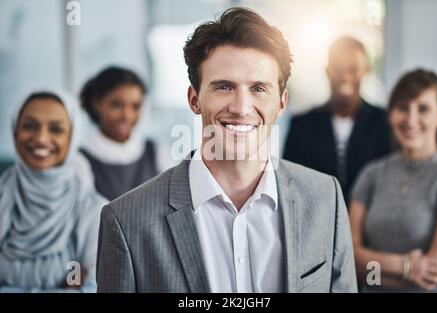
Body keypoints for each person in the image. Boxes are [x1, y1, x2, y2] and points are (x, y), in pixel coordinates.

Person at [96, 7, 357, 293]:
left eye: (258, 88)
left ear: (281, 103)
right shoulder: (126, 221)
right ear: (194, 99)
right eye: (223, 87)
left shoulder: (325, 200)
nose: (241, 108)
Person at [350, 69, 437, 292]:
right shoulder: (372, 173)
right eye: (403, 107)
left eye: (423, 108)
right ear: (391, 114)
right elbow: (348, 257)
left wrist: (371, 269)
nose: (411, 119)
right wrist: (406, 266)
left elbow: (433, 277)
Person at [0, 89, 106, 292]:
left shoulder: (94, 210)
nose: (41, 138)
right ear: (15, 131)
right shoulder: (3, 197)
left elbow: (95, 288)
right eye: (29, 126)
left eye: (56, 129)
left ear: (72, 137)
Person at [284, 36, 392, 204]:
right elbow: (289, 183)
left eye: (353, 68)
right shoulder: (302, 125)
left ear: (366, 70)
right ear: (328, 71)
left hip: (369, 226)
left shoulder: (385, 122)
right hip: (316, 223)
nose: (345, 76)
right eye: (338, 68)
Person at [79, 66, 158, 200]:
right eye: (116, 105)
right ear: (96, 103)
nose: (126, 116)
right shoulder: (80, 162)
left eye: (135, 106)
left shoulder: (156, 152)